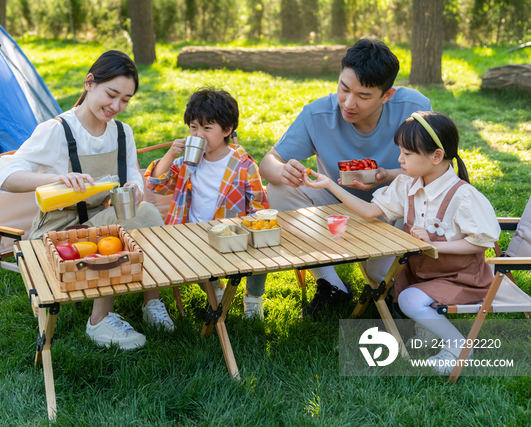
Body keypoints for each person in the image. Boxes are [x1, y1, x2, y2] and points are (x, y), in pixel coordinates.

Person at [0, 50, 173, 350]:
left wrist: (135, 185)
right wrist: (55, 179)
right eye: (111, 94)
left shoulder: (121, 133)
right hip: (55, 234)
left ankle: (151, 301)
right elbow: (5, 176)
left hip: (97, 226)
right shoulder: (57, 130)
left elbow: (132, 174)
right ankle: (99, 322)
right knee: (131, 220)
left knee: (144, 211)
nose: (116, 106)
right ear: (90, 83)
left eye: (126, 100)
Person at [302, 111, 500, 374]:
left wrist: (435, 247)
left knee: (408, 300)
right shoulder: (408, 184)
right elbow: (371, 211)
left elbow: (481, 243)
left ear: (436, 156)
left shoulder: (463, 196)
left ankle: (459, 347)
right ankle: (429, 325)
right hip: (423, 272)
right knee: (373, 268)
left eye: (407, 154)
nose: (399, 159)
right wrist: (329, 185)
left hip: (460, 277)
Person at [259, 37, 432, 319]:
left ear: (387, 95)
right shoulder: (318, 113)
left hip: (393, 206)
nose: (349, 103)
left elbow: (439, 170)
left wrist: (388, 175)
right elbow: (268, 162)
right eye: (344, 88)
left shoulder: (414, 107)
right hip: (335, 206)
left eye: (364, 96)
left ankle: (391, 284)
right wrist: (282, 170)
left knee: (381, 270)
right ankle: (331, 283)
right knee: (278, 189)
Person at [144, 89, 270, 319]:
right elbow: (156, 184)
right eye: (194, 127)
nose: (199, 134)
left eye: (207, 128)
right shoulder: (188, 162)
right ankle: (218, 292)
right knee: (186, 257)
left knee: (264, 244)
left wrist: (252, 230)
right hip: (195, 234)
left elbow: (258, 206)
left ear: (227, 130)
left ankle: (253, 297)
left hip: (234, 234)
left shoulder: (243, 165)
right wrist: (171, 155)